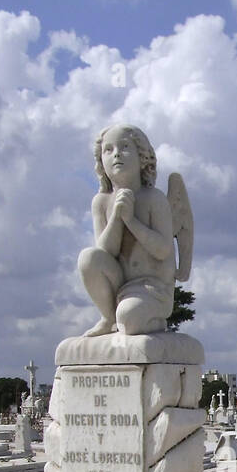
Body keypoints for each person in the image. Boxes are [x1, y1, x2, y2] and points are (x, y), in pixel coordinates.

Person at [78, 125, 184, 337]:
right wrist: (117, 217)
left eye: (125, 147)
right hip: (119, 286)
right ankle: (108, 318)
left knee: (128, 318)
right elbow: (105, 253)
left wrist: (131, 220)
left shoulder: (154, 199)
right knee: (88, 257)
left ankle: (145, 319)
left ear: (142, 157)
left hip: (152, 289)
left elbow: (163, 250)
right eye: (108, 150)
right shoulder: (101, 202)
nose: (116, 153)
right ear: (101, 162)